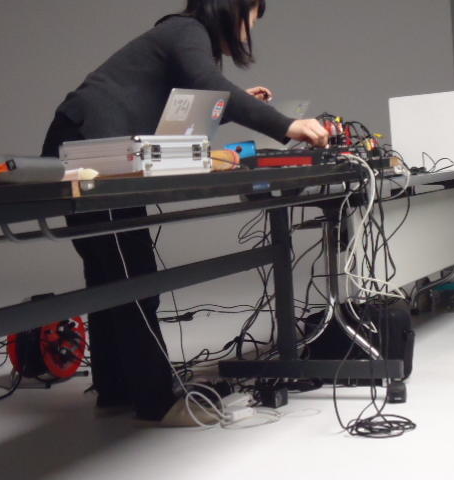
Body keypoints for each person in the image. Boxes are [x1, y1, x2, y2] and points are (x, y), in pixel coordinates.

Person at [41, 0, 329, 424]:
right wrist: (286, 124)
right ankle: (156, 401)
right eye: (251, 19)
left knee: (108, 274)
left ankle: (117, 388)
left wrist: (229, 104)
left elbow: (170, 116)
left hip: (92, 145)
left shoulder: (183, 37)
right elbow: (207, 84)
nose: (249, 32)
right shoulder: (185, 30)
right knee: (132, 275)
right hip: (92, 149)